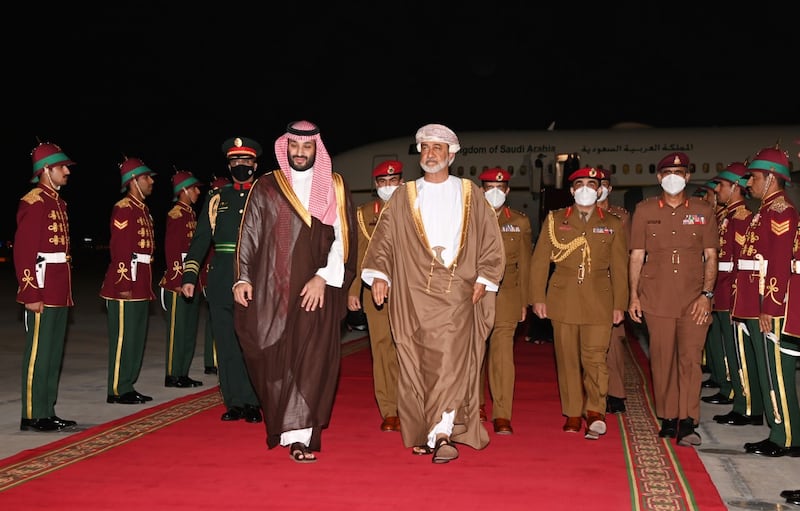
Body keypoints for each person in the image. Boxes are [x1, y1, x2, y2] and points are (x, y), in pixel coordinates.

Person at [361, 123, 505, 464]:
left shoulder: (470, 193)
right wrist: (379, 274)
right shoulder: (405, 195)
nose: (430, 154)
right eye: (425, 148)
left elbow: (490, 241)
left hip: (458, 293)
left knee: (450, 363)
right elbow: (384, 240)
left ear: (451, 154)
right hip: (413, 295)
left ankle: (443, 434)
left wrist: (485, 278)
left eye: (437, 148)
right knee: (419, 364)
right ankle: (429, 430)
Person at [232, 120, 357, 464]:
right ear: (285, 147)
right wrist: (242, 278)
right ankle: (286, 429)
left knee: (311, 362)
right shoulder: (268, 185)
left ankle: (302, 437)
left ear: (317, 149)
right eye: (295, 147)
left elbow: (342, 240)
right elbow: (250, 235)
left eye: (308, 147)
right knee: (273, 358)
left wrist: (322, 277)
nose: (301, 153)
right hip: (273, 290)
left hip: (316, 290)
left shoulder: (333, 185)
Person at [628, 152, 719, 446]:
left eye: (680, 172)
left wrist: (706, 295)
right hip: (656, 298)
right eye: (668, 172)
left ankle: (688, 421)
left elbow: (711, 256)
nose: (674, 177)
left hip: (694, 299)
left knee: (690, 361)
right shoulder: (644, 211)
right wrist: (633, 296)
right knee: (662, 360)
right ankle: (668, 418)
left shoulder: (704, 211)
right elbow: (637, 256)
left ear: (688, 177)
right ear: (658, 178)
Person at [531, 167, 628, 440]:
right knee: (567, 359)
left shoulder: (612, 222)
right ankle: (573, 412)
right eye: (580, 184)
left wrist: (620, 303)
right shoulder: (555, 219)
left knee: (595, 358)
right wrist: (538, 297)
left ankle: (595, 411)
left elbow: (619, 268)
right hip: (563, 298)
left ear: (600, 190)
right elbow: (540, 262)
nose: (586, 188)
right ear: (572, 190)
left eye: (592, 184)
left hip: (600, 299)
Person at [181, 137, 262, 424]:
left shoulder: (265, 194)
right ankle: (235, 401)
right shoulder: (217, 198)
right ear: (229, 167)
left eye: (246, 161)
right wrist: (190, 274)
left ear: (255, 164)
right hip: (220, 279)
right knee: (226, 344)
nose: (241, 166)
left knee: (250, 344)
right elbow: (201, 239)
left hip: (255, 279)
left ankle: (254, 401)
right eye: (235, 162)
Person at [732, 144, 800, 457]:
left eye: (754, 178)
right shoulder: (765, 211)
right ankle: (780, 431)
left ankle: (786, 437)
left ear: (771, 178)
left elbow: (779, 262)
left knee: (778, 372)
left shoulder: (780, 211)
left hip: (776, 305)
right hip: (763, 299)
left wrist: (770, 308)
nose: (749, 184)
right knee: (771, 372)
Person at [14, 142, 78, 431]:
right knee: (38, 353)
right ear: (46, 170)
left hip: (58, 287)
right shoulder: (34, 201)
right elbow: (24, 251)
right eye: (62, 167)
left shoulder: (58, 202)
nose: (67, 171)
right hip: (41, 286)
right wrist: (30, 293)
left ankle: (47, 409)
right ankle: (32, 413)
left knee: (53, 353)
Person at [347, 159, 404, 433]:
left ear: (401, 182)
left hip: (408, 293)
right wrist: (354, 289)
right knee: (382, 350)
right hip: (375, 294)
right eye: (383, 183)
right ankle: (389, 410)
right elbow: (360, 256)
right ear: (376, 186)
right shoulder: (365, 213)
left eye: (393, 182)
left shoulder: (414, 211)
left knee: (409, 350)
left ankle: (411, 405)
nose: (388, 187)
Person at [707, 162, 764, 426]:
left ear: (735, 188)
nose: (717, 189)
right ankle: (743, 403)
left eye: (721, 185)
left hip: (732, 294)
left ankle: (747, 407)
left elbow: (742, 262)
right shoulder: (729, 217)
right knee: (733, 351)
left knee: (739, 353)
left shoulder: (741, 219)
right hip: (724, 292)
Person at [477, 167, 531, 435]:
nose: (495, 193)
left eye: (500, 188)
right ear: (481, 191)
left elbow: (526, 264)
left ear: (508, 191)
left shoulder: (519, 222)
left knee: (502, 355)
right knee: (474, 354)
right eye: (489, 188)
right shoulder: (467, 220)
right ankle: (474, 405)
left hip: (506, 295)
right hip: (473, 296)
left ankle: (502, 413)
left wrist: (525, 301)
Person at [100, 156, 157, 405]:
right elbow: (120, 248)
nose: (151, 182)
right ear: (134, 180)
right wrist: (124, 283)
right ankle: (117, 388)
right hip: (126, 282)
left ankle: (128, 385)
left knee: (135, 338)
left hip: (141, 280)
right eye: (146, 177)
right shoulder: (124, 207)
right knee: (124, 338)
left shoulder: (141, 208)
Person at [158, 170, 204, 389]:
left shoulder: (190, 214)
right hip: (179, 281)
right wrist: (177, 279)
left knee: (188, 330)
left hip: (191, 280)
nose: (198, 192)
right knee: (178, 331)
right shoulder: (176, 214)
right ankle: (173, 373)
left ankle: (182, 372)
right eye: (194, 188)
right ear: (184, 189)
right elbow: (172, 250)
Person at [596, 171, 631, 414]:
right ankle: (596, 391)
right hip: (589, 286)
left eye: (603, 185)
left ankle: (615, 392)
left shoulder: (621, 217)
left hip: (613, 284)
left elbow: (627, 256)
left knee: (614, 343)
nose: (598, 189)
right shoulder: (579, 214)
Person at [200, 174, 231, 376]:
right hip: (215, 274)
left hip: (223, 273)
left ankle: (215, 359)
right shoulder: (213, 213)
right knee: (216, 322)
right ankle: (212, 360)